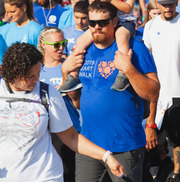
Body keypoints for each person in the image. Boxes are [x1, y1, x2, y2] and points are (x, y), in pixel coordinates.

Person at [61, 0, 160, 182]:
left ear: (115, 22)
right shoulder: (83, 51)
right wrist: (65, 72)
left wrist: (129, 70)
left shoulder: (135, 48)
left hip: (125, 145)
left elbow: (153, 93)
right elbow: (76, 101)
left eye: (102, 22)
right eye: (92, 23)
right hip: (89, 145)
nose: (96, 27)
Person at [0, 42, 124, 182]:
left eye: (39, 73)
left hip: (45, 177)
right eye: (30, 76)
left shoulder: (47, 93)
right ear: (13, 73)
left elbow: (71, 137)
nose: (36, 79)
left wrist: (106, 156)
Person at [61, 0, 136, 93]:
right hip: (103, 21)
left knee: (121, 37)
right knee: (81, 41)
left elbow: (128, 8)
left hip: (124, 21)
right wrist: (92, 1)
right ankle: (74, 75)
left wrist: (111, 0)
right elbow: (94, 8)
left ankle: (123, 74)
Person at [143, 0, 180, 182]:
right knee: (154, 135)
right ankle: (163, 165)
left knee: (177, 138)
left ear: (177, 2)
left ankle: (176, 172)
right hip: (156, 91)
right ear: (157, 4)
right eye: (164, 4)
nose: (168, 8)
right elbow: (146, 54)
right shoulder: (151, 26)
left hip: (177, 89)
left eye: (171, 4)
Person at [38, 26, 81, 182]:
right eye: (56, 44)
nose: (61, 48)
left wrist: (62, 86)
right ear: (44, 45)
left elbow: (76, 99)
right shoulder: (37, 69)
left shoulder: (70, 65)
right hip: (45, 135)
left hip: (69, 130)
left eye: (63, 43)